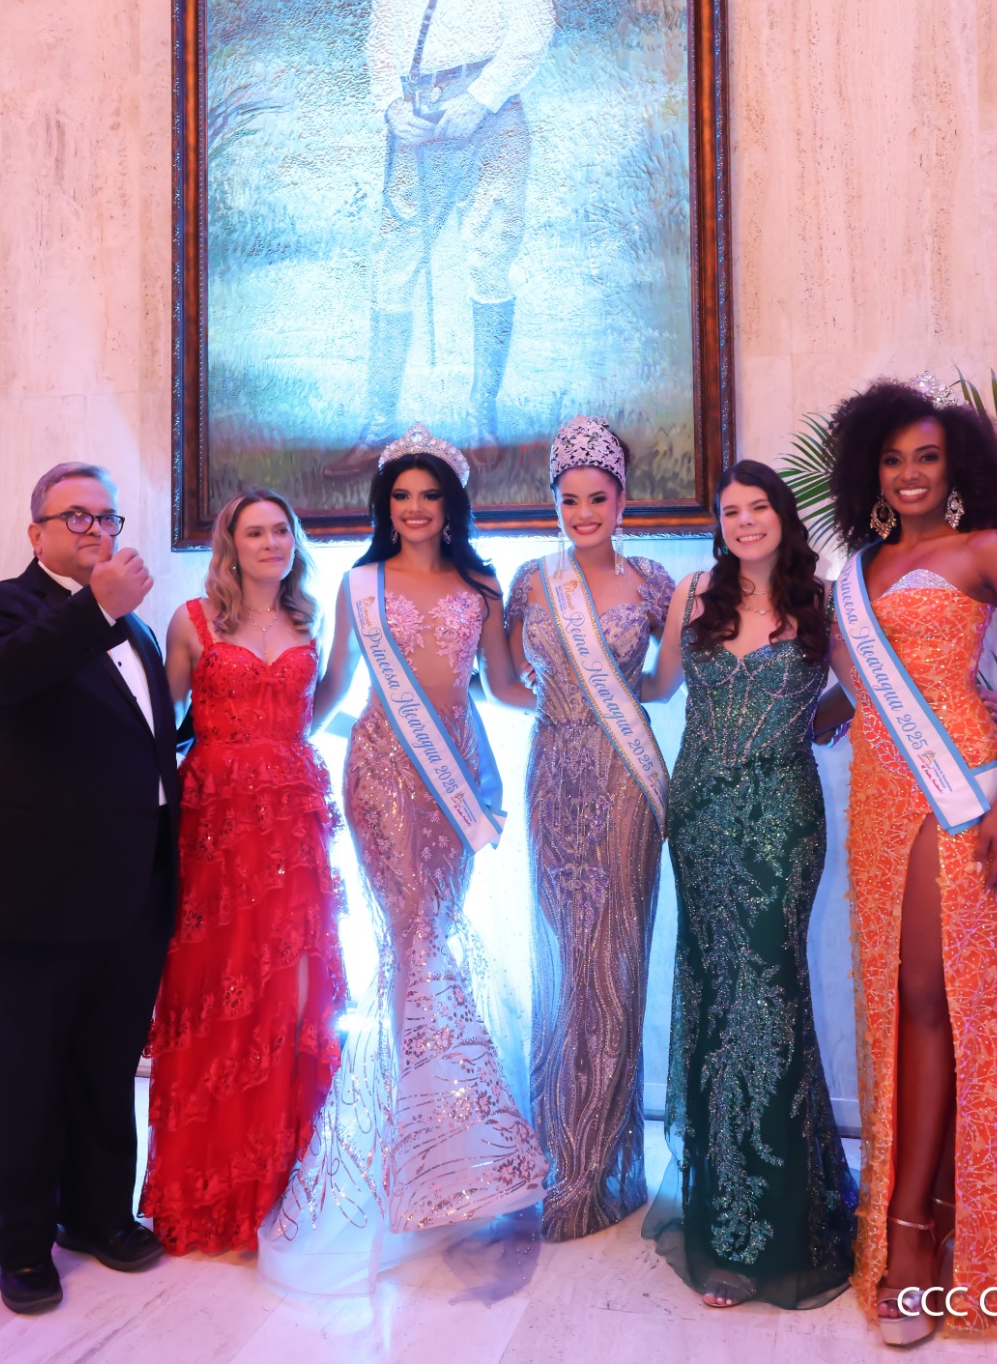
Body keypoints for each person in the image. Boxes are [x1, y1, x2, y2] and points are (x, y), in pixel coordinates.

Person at [819, 378, 997, 1343]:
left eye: (926, 457)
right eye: (893, 459)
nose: (909, 475)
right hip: (876, 797)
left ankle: (914, 1236)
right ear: (872, 472)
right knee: (897, 1005)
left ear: (955, 464)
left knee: (934, 997)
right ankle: (929, 1211)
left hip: (959, 793)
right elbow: (857, 695)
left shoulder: (989, 551)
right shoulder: (859, 570)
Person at [263, 425, 545, 1288]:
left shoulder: (481, 585)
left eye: (428, 495)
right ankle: (431, 1144)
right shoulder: (360, 581)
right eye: (400, 496)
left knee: (437, 936)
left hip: (456, 776)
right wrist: (272, 741)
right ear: (384, 506)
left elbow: (504, 685)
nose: (414, 508)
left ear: (450, 505)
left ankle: (446, 1135)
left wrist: (576, 687)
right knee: (412, 939)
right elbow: (337, 684)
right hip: (383, 773)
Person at [0, 463, 180, 1314]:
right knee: (19, 1082)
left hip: (124, 897)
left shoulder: (134, 630)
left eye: (106, 517)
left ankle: (97, 1216)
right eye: (74, 516)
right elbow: (5, 678)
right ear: (35, 531)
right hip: (22, 902)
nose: (94, 530)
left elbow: (136, 745)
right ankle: (22, 1247)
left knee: (103, 1071)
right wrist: (96, 608)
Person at [640, 460, 857, 1308]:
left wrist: (822, 718)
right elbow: (658, 686)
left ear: (783, 514)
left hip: (782, 822)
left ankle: (781, 1225)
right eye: (730, 512)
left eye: (758, 507)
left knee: (769, 997)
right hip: (697, 818)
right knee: (713, 996)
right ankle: (724, 1222)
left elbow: (866, 686)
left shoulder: (823, 601)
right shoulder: (693, 593)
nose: (744, 523)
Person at [138, 490, 346, 1255]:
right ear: (230, 544)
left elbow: (320, 704)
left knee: (290, 993)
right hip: (216, 827)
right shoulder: (192, 621)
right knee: (215, 990)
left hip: (291, 825)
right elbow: (157, 719)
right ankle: (209, 1189)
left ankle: (279, 1186)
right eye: (255, 532)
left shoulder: (309, 621)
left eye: (281, 531)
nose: (271, 543)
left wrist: (277, 753)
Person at [336, 0, 555, 470]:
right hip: (417, 119)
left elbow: (533, 25)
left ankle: (483, 422)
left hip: (490, 113)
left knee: (488, 254)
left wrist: (480, 100)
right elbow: (380, 43)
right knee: (392, 262)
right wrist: (391, 107)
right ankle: (377, 425)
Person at [503, 416, 672, 1241]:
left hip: (626, 777)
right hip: (553, 775)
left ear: (622, 499)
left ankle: (599, 1166)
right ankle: (558, 1152)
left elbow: (669, 683)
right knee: (566, 964)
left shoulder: (653, 581)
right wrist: (555, 711)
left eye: (596, 499)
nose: (582, 513)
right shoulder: (531, 582)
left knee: (614, 964)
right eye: (568, 500)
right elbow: (502, 682)